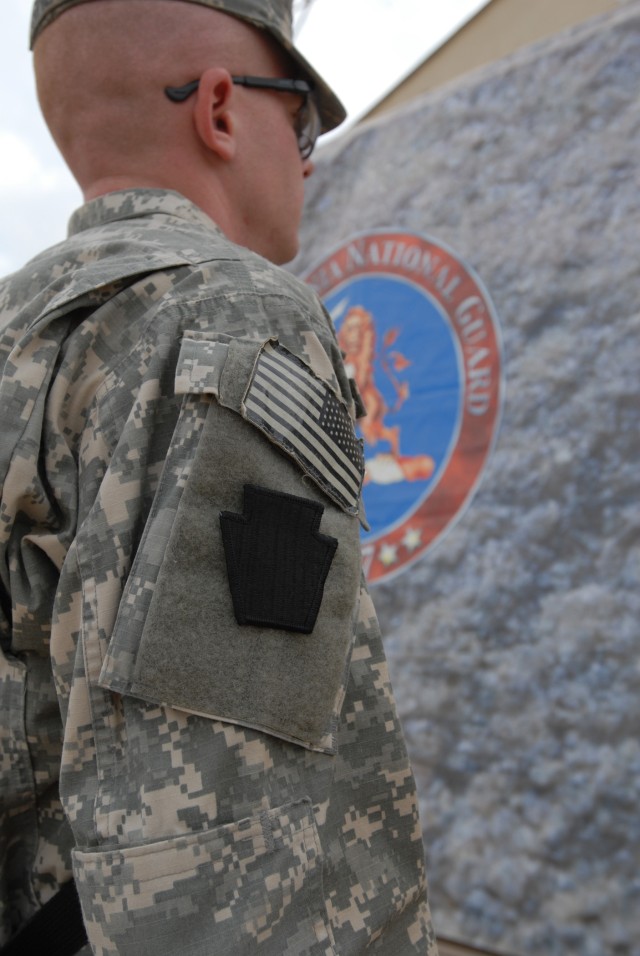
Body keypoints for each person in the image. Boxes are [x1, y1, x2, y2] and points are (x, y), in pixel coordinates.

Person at [0, 2, 439, 953]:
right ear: (221, 110)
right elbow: (224, 855)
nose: (311, 155)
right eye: (304, 118)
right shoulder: (232, 313)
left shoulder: (18, 328)